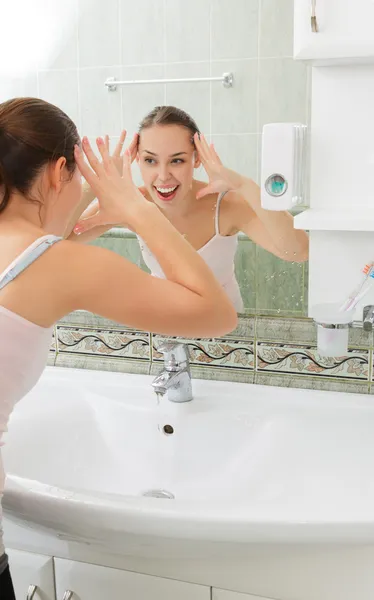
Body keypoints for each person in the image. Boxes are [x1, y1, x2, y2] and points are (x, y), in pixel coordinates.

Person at [0, 97, 237, 597]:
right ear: (61, 169)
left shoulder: (37, 256)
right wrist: (135, 208)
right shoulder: (54, 263)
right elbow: (216, 315)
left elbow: (43, 238)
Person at [73, 106, 309, 312]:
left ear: (196, 159)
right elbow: (60, 242)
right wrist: (94, 183)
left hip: (225, 333)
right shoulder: (133, 204)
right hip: (165, 331)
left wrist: (244, 185)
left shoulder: (226, 205)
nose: (163, 176)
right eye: (150, 160)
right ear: (137, 161)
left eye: (177, 160)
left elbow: (298, 251)